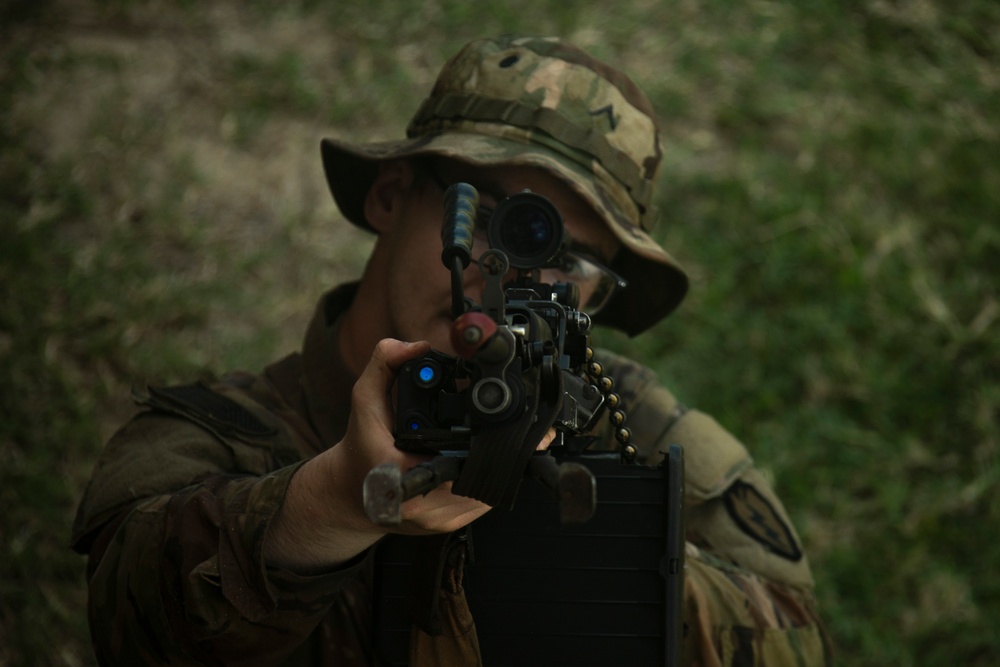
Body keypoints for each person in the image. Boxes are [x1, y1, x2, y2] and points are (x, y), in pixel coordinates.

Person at [72, 34, 831, 666]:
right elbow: (131, 618)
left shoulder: (638, 426)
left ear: (601, 296)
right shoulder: (214, 436)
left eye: (569, 261)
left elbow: (798, 635)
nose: (518, 278)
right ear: (391, 196)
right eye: (492, 221)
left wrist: (615, 562)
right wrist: (331, 501)